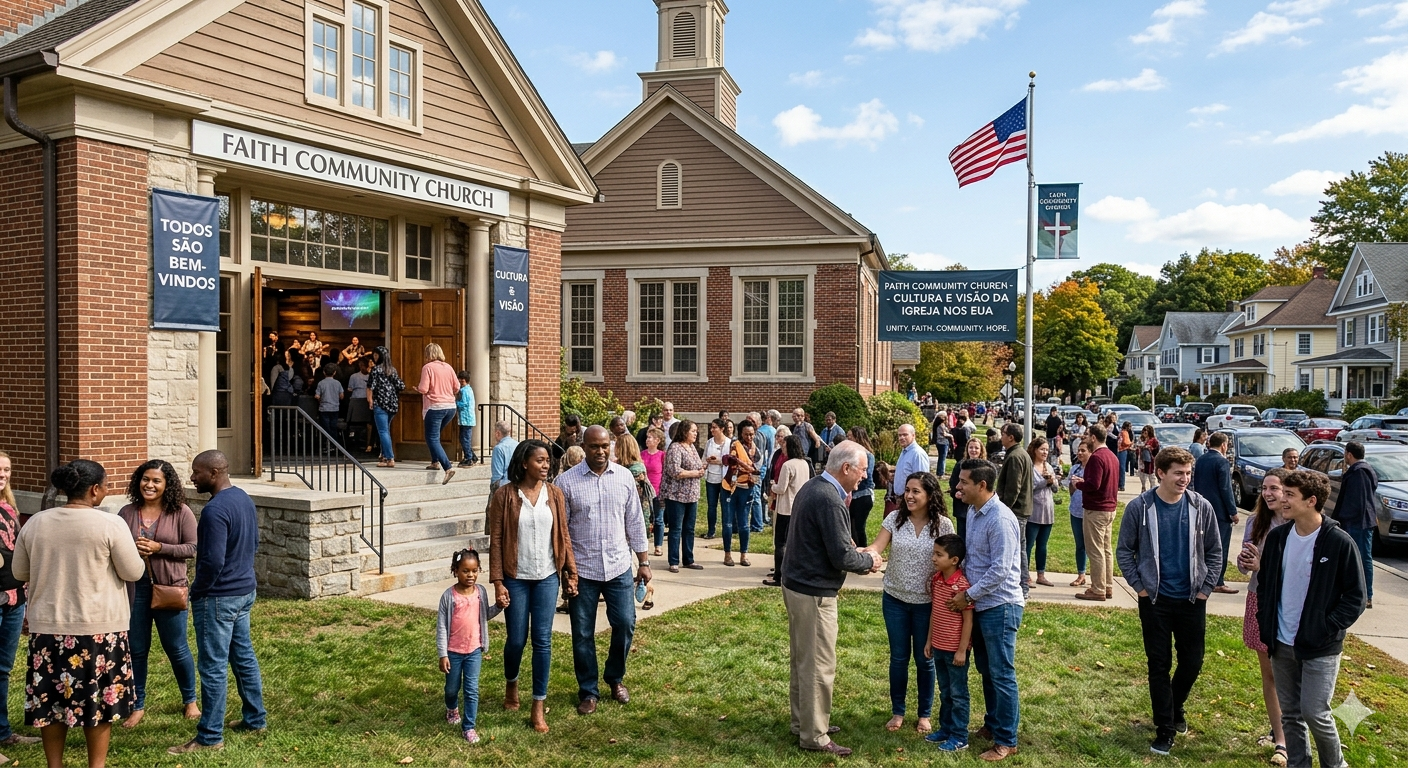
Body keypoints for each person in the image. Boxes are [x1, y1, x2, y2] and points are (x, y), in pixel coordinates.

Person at [12, 460, 142, 768]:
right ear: (95, 490)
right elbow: (133, 571)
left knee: (50, 702)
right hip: (100, 629)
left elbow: (19, 571)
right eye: (106, 486)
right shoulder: (110, 524)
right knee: (98, 701)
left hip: (48, 630)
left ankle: (54, 765)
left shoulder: (36, 522)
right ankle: (95, 766)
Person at [1242, 470, 1366, 768]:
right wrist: (1268, 623)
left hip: (1319, 645)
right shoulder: (1278, 537)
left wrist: (1324, 628)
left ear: (1311, 501)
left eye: (1289, 495)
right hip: (1281, 641)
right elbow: (1268, 584)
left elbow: (1355, 598)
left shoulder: (1338, 542)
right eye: (1282, 493)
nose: (1281, 499)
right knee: (1291, 714)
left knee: (1315, 712)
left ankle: (1335, 765)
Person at [1116, 447, 1222, 757]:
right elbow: (1125, 550)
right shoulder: (1140, 507)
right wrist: (1141, 588)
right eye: (1178, 473)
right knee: (1158, 664)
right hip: (1155, 601)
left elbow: (1215, 552)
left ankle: (1175, 706)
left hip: (1192, 599)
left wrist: (1205, 589)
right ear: (1160, 473)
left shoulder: (1201, 506)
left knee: (1193, 661)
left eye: (1188, 473)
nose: (1185, 479)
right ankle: (1165, 727)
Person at [782, 442, 881, 757]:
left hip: (799, 584)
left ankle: (805, 722)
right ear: (846, 468)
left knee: (803, 660)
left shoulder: (815, 487)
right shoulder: (827, 498)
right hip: (813, 591)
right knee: (818, 665)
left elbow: (831, 542)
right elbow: (841, 556)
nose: (865, 475)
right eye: (863, 468)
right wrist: (870, 561)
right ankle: (814, 735)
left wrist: (853, 549)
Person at [168, 451, 267, 755]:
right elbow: (255, 543)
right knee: (243, 657)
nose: (192, 478)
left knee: (212, 667)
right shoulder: (243, 499)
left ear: (214, 472)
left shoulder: (214, 511)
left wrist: (199, 590)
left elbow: (211, 561)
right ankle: (255, 719)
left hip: (219, 597)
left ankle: (210, 737)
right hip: (244, 592)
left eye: (197, 472)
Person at [555, 426, 651, 715]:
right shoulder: (566, 482)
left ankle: (615, 677)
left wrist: (643, 562)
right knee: (582, 632)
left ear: (612, 445)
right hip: (582, 569)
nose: (600, 451)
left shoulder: (624, 478)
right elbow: (563, 533)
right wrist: (567, 572)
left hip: (619, 565)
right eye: (594, 447)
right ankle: (588, 690)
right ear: (584, 447)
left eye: (605, 446)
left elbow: (635, 522)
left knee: (625, 623)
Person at [862, 471, 954, 734]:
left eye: (916, 491)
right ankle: (898, 711)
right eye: (907, 490)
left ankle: (924, 714)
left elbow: (952, 562)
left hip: (928, 605)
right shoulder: (894, 518)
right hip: (895, 600)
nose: (909, 496)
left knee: (925, 659)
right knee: (899, 658)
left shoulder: (943, 525)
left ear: (929, 495)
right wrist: (861, 552)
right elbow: (877, 547)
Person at [947, 458, 1024, 762]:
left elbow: (1001, 570)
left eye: (964, 482)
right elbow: (974, 558)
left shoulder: (1000, 519)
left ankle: (1007, 740)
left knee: (1002, 674)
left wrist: (968, 595)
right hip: (979, 604)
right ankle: (992, 725)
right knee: (987, 671)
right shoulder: (973, 511)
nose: (958, 486)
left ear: (981, 485)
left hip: (1000, 606)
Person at [117, 460, 200, 729]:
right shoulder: (127, 512)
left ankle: (190, 701)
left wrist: (159, 547)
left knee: (176, 648)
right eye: (145, 479)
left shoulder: (180, 512)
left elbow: (192, 548)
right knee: (136, 649)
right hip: (134, 589)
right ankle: (137, 705)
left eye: (156, 481)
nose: (149, 485)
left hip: (169, 589)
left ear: (167, 485)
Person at [1237, 468, 1292, 767]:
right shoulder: (1255, 522)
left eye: (1275, 488)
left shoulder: (1298, 524)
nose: (1268, 493)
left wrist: (1263, 566)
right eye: (1265, 489)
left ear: (1287, 492)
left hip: (1289, 604)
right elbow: (1244, 568)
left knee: (1291, 671)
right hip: (1259, 600)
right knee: (1270, 674)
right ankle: (1281, 739)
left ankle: (1293, 729)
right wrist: (1245, 562)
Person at [437, 549, 503, 744]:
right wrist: (443, 654)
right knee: (452, 688)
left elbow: (485, 615)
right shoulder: (448, 597)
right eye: (466, 571)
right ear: (455, 570)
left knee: (471, 689)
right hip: (453, 652)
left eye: (474, 571)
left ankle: (469, 727)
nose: (471, 575)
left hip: (474, 651)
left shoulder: (481, 592)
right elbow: (441, 627)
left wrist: (499, 606)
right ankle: (452, 708)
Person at [923, 534, 974, 753]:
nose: (933, 558)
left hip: (955, 651)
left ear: (954, 560)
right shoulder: (936, 580)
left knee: (958, 693)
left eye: (939, 554)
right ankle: (946, 728)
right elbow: (935, 612)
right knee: (945, 691)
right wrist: (929, 640)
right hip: (939, 647)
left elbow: (968, 619)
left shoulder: (961, 586)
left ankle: (960, 735)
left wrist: (962, 649)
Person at [0, 453, 34, 760]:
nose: (3, 474)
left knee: (2, 668)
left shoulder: (10, 508)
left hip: (12, 598)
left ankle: (2, 732)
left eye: (7, 469)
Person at [1193, 432, 1240, 595]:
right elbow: (1226, 489)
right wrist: (1233, 511)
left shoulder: (1200, 460)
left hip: (1202, 509)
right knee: (1220, 547)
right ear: (1224, 445)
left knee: (1203, 546)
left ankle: (1203, 577)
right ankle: (1217, 581)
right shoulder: (1222, 462)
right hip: (1219, 512)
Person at [1078, 426, 1120, 602]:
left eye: (1087, 435)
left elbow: (1093, 485)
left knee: (1095, 550)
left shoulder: (1097, 457)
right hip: (1110, 508)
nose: (1086, 438)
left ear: (1094, 438)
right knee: (1106, 549)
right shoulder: (1112, 456)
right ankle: (1107, 585)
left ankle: (1098, 589)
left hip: (1097, 509)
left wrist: (1079, 483)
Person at [1334, 441, 1377, 609]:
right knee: (1354, 558)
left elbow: (1358, 501)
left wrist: (1344, 518)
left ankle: (1366, 595)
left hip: (1358, 523)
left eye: (1345, 453)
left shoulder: (1360, 472)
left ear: (1349, 454)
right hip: (1357, 521)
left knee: (1362, 558)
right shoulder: (1360, 470)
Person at [661, 420, 705, 573]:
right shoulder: (675, 448)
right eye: (693, 430)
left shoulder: (691, 447)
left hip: (692, 495)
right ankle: (673, 561)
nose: (695, 433)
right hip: (676, 495)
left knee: (689, 529)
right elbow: (675, 471)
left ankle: (688, 559)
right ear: (685, 431)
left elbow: (696, 466)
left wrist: (704, 466)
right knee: (676, 529)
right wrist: (695, 473)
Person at [765, 435, 809, 588]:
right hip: (800, 508)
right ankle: (793, 572)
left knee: (780, 543)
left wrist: (772, 485)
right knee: (794, 543)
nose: (782, 448)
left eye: (784, 446)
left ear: (790, 447)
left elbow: (781, 488)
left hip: (786, 508)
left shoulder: (788, 465)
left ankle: (779, 576)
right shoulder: (804, 464)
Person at [995, 423, 1033, 598]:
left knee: (1017, 548)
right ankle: (1023, 583)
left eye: (1003, 434)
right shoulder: (1019, 453)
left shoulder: (1016, 456)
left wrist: (1004, 510)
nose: (1001, 437)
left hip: (1016, 511)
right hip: (1020, 510)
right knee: (1020, 547)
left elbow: (1013, 488)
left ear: (1011, 437)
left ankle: (1022, 585)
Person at [417, 343, 460, 484]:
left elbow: (423, 389)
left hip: (435, 407)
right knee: (435, 435)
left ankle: (447, 468)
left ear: (428, 354)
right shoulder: (448, 367)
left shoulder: (427, 367)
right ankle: (435, 461)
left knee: (432, 438)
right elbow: (457, 387)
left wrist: (418, 389)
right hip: (451, 407)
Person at [722, 421, 761, 567]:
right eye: (746, 434)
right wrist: (746, 467)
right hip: (730, 488)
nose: (749, 437)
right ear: (741, 434)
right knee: (728, 522)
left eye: (752, 434)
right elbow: (731, 461)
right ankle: (727, 555)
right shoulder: (735, 444)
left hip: (747, 488)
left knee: (744, 524)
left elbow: (757, 467)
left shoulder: (756, 449)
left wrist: (751, 471)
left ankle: (744, 555)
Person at [1026, 437, 1058, 588]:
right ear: (1034, 450)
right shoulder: (1030, 467)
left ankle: (1041, 575)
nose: (1045, 452)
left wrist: (1053, 481)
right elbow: (1029, 487)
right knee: (1029, 545)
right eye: (1042, 449)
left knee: (1042, 546)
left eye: (1046, 449)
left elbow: (1056, 489)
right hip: (1034, 512)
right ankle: (1025, 575)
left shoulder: (1049, 467)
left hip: (1048, 512)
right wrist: (1044, 482)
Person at [368, 346, 404, 468]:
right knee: (386, 430)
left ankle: (389, 458)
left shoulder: (376, 370)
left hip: (380, 403)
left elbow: (370, 386)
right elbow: (400, 385)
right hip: (392, 404)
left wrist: (370, 400)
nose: (375, 356)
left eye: (377, 355)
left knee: (383, 431)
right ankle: (383, 455)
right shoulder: (392, 370)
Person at [949, 438, 991, 541]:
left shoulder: (985, 467)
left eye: (976, 448)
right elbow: (953, 484)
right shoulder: (960, 465)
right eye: (971, 447)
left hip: (979, 509)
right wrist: (956, 493)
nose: (973, 450)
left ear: (981, 450)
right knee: (962, 538)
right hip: (963, 510)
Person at [1064, 440, 1089, 589]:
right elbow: (1070, 489)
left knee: (1092, 546)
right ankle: (1081, 574)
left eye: (1083, 450)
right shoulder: (1075, 469)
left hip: (1090, 511)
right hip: (1076, 510)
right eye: (1078, 450)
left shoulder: (1093, 470)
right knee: (1080, 545)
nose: (1079, 453)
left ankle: (1099, 577)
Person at [846, 427, 878, 547]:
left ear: (857, 437)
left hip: (863, 494)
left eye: (850, 436)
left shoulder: (867, 455)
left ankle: (863, 553)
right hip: (851, 495)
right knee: (850, 527)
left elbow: (866, 476)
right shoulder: (850, 454)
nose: (848, 439)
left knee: (859, 527)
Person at [891, 424, 930, 515]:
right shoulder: (905, 451)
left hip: (911, 499)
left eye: (905, 435)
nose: (901, 437)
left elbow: (922, 480)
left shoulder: (917, 454)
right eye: (899, 435)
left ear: (913, 435)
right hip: (901, 498)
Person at [702, 419, 731, 539]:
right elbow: (704, 457)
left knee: (725, 505)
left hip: (724, 478)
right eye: (711, 427)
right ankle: (711, 531)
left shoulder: (729, 443)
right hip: (711, 478)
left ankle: (726, 530)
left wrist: (719, 461)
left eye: (715, 427)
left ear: (722, 429)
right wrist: (705, 463)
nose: (712, 430)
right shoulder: (709, 443)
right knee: (711, 506)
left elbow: (732, 461)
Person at [641, 428, 666, 557]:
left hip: (658, 491)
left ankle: (658, 546)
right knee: (644, 518)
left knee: (658, 519)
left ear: (657, 440)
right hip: (645, 491)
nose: (647, 439)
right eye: (647, 437)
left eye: (650, 437)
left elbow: (665, 473)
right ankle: (643, 544)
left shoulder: (662, 455)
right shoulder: (642, 454)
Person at [346, 358, 372, 453]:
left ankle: (368, 444)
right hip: (356, 400)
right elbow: (350, 389)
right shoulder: (354, 376)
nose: (362, 367)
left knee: (369, 423)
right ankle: (352, 442)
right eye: (361, 365)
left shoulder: (371, 376)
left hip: (366, 400)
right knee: (353, 423)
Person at [314, 363, 344, 445]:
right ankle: (334, 444)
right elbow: (341, 396)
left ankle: (326, 443)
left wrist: (320, 399)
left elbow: (317, 396)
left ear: (324, 372)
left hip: (324, 408)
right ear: (334, 372)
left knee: (325, 427)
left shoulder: (321, 383)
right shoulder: (337, 383)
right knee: (333, 427)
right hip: (334, 408)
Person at [488, 421, 518, 493]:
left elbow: (497, 475)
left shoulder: (499, 448)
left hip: (504, 486)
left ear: (497, 433)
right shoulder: (518, 444)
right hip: (517, 484)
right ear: (509, 432)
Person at [455, 371, 478, 468]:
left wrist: (454, 402)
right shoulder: (469, 389)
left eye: (462, 381)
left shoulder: (464, 391)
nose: (460, 383)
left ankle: (468, 457)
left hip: (466, 418)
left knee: (464, 439)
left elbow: (464, 403)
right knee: (464, 438)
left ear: (466, 381)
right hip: (467, 419)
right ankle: (472, 456)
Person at [1137, 425, 1160, 493]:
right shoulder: (1141, 439)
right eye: (1143, 430)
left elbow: (1156, 449)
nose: (1144, 432)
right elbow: (1137, 446)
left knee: (1151, 475)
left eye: (1146, 430)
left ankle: (1153, 490)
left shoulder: (1153, 440)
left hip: (1150, 461)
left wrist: (1150, 448)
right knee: (1142, 474)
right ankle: (1143, 487)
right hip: (1142, 459)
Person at [930, 411, 951, 479]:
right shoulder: (941, 425)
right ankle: (940, 473)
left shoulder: (937, 425)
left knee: (941, 458)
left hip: (939, 443)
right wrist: (951, 435)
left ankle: (939, 472)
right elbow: (944, 434)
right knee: (942, 458)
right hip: (943, 443)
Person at [1118, 422, 1134, 491]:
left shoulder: (1121, 432)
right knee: (1122, 468)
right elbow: (1126, 442)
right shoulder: (1125, 433)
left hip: (1119, 450)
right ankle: (1121, 485)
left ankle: (1120, 484)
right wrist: (1131, 443)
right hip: (1123, 450)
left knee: (1120, 468)